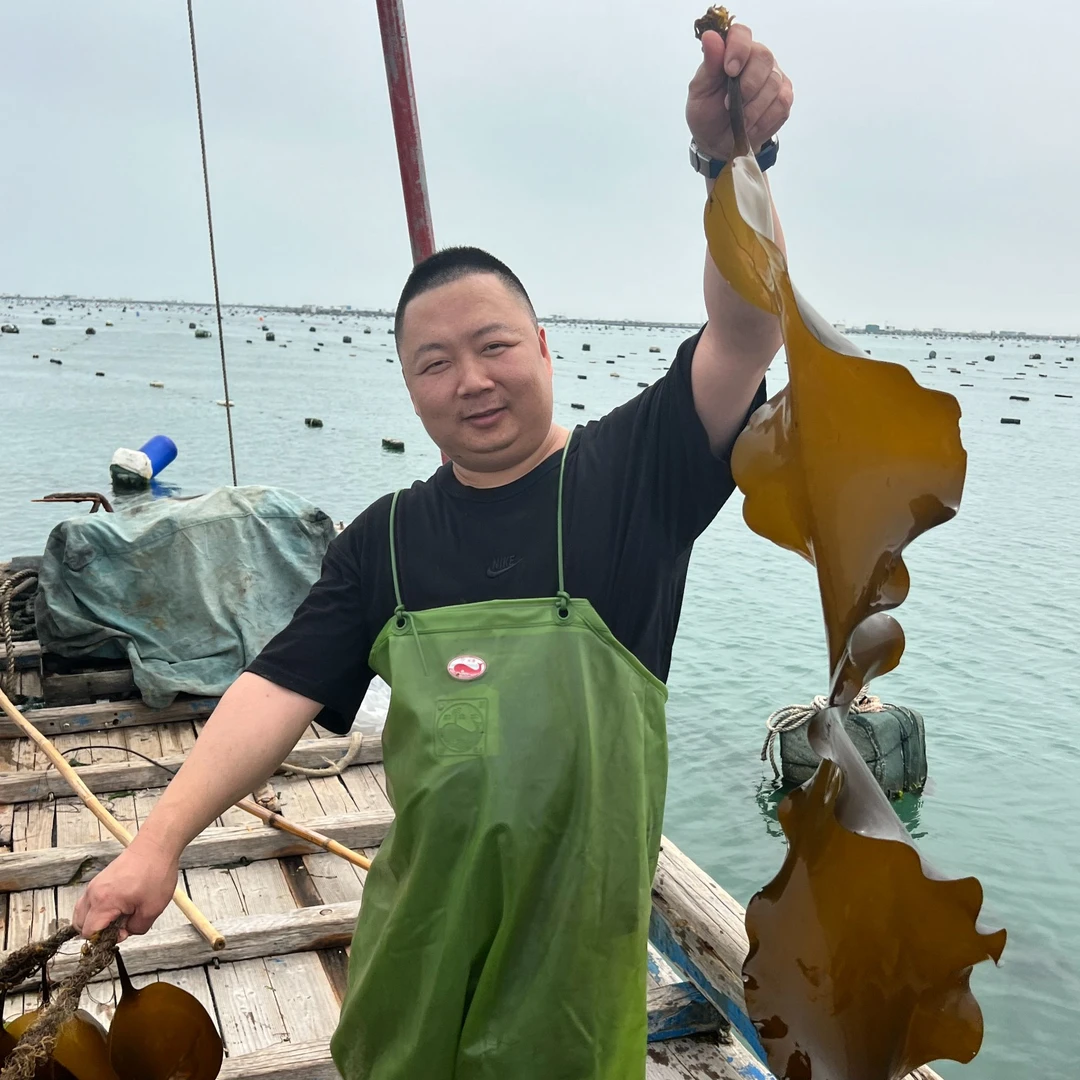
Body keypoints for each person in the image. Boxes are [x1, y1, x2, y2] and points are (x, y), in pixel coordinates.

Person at [73, 22, 793, 1080]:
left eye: (496, 345)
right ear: (410, 388)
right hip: (415, 954)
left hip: (571, 983)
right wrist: (159, 840)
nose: (472, 380)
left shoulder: (632, 478)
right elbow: (274, 690)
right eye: (434, 363)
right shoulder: (388, 540)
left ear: (545, 346)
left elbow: (746, 329)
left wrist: (734, 163)